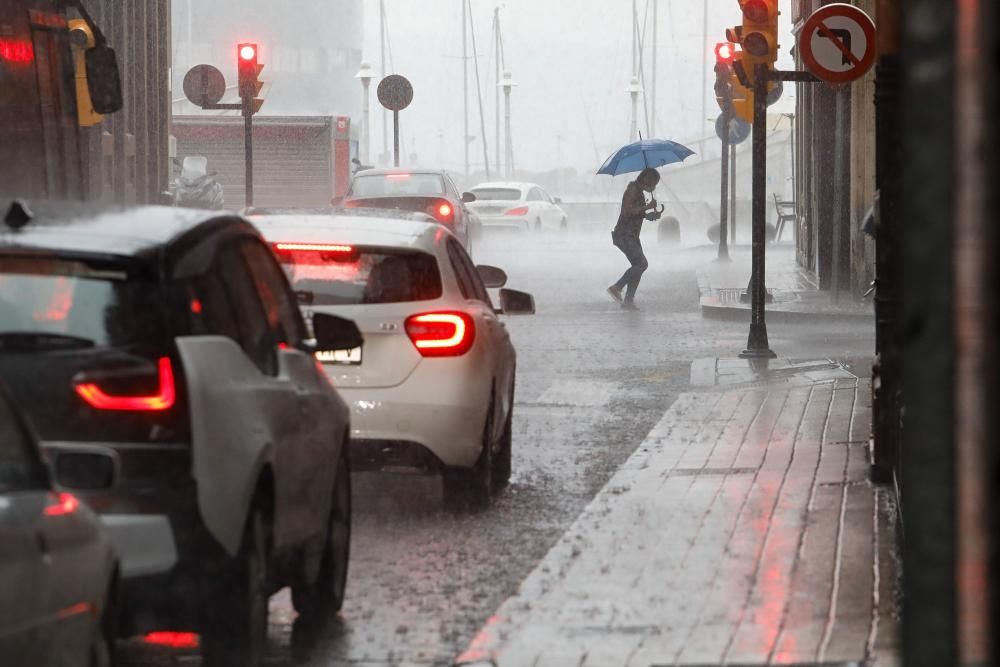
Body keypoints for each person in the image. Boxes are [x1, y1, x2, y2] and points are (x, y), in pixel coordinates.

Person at [607, 167, 662, 310]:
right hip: (625, 235)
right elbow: (627, 211)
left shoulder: (638, 191)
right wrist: (647, 207)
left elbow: (636, 213)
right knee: (641, 264)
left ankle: (628, 301)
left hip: (631, 235)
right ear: (647, 179)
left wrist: (649, 215)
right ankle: (617, 287)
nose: (654, 186)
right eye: (654, 182)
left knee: (638, 266)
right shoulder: (633, 189)